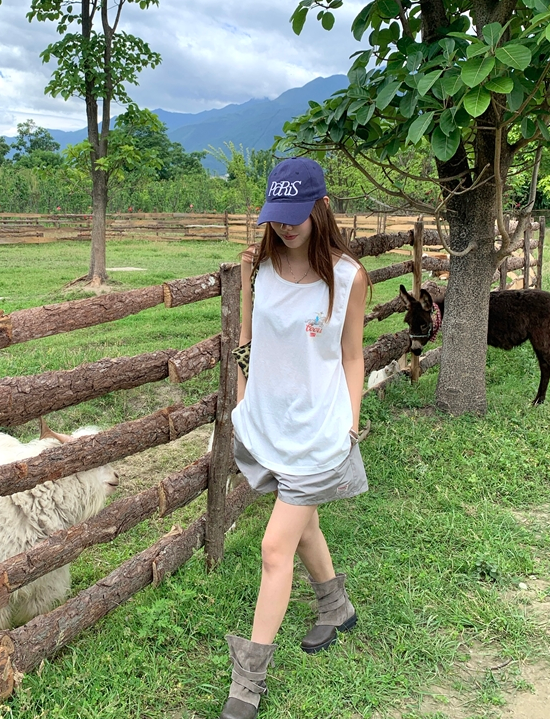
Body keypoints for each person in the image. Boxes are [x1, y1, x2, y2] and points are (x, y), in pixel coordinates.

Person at [220, 156, 370, 719]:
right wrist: (243, 400)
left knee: (273, 547)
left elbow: (351, 356)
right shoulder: (260, 269)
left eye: (296, 214)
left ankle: (247, 683)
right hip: (269, 425)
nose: (285, 226)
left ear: (321, 206)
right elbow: (246, 340)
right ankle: (336, 607)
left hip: (318, 434)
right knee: (302, 525)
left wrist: (349, 425)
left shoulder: (349, 278)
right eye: (276, 215)